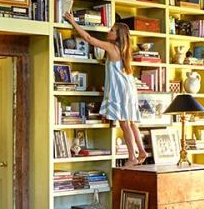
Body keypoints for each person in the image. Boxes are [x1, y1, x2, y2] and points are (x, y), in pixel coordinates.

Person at [63, 12, 147, 165]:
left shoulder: (111, 47)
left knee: (124, 124)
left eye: (112, 31)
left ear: (118, 36)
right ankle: (141, 151)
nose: (109, 32)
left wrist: (73, 22)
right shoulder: (124, 52)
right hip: (129, 89)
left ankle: (132, 157)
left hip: (121, 91)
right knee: (132, 122)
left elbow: (88, 39)